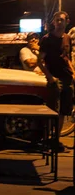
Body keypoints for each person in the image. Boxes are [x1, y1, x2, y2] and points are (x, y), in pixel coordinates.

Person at [37, 11, 73, 152]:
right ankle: (48, 139)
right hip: (55, 79)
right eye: (57, 20)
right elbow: (39, 61)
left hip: (67, 78)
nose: (59, 23)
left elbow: (67, 58)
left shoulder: (67, 38)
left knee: (64, 110)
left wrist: (73, 75)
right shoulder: (47, 39)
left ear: (67, 22)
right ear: (53, 22)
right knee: (53, 111)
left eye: (62, 20)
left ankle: (56, 141)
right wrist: (50, 78)